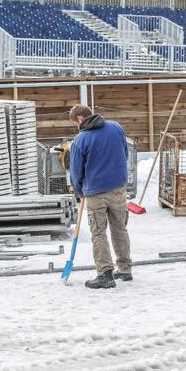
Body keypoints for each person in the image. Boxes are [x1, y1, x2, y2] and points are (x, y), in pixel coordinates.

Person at [69, 104, 133, 289]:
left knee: (98, 232)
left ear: (80, 119)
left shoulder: (81, 139)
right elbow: (125, 153)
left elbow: (75, 171)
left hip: (95, 191)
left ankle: (105, 273)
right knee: (120, 228)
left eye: (76, 123)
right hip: (118, 188)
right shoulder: (116, 127)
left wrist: (79, 190)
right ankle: (125, 269)